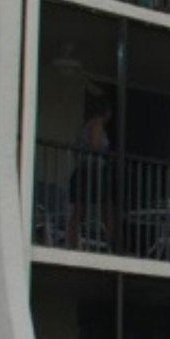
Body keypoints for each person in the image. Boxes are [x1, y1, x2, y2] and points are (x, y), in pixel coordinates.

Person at [69, 102, 112, 249]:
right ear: (105, 113)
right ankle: (113, 245)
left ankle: (73, 243)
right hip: (90, 173)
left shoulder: (86, 126)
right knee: (99, 209)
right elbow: (95, 145)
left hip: (86, 172)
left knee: (81, 211)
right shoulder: (96, 125)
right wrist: (106, 153)